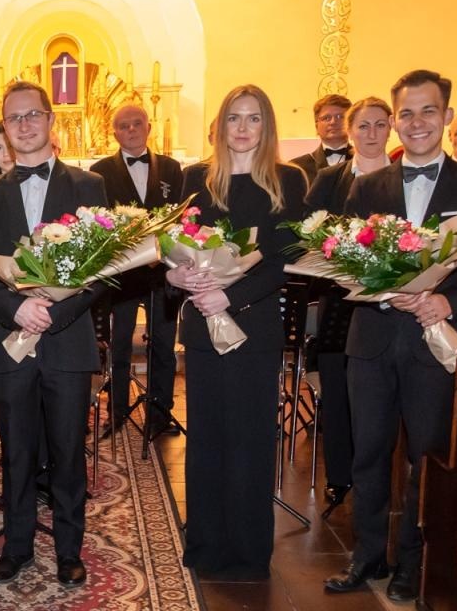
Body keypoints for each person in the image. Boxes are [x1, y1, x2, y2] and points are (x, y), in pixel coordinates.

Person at [324, 69, 457, 602]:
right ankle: (367, 556)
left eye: (428, 111)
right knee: (368, 452)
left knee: (425, 456)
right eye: (406, 113)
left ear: (446, 116)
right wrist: (384, 292)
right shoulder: (368, 186)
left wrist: (446, 301)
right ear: (394, 121)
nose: (417, 122)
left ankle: (412, 560)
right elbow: (342, 261)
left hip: (437, 339)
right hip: (372, 340)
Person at [0, 80, 108, 587]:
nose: (24, 125)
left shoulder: (88, 186)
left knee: (68, 452)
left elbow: (103, 267)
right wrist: (17, 308)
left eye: (32, 115)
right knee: (16, 452)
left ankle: (69, 550)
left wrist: (54, 313)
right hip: (10, 341)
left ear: (50, 120)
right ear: (4, 128)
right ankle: (17, 547)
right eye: (14, 118)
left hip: (67, 341)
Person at [167, 85, 302, 580]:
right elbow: (173, 248)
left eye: (253, 118)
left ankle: (247, 552)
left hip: (254, 327)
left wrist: (232, 297)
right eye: (234, 118)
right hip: (202, 325)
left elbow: (285, 260)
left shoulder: (288, 181)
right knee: (206, 438)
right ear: (220, 125)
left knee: (250, 439)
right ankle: (205, 546)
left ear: (267, 126)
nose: (243, 128)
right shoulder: (195, 179)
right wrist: (176, 277)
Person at [303, 96, 393, 512]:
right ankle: (339, 475)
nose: (371, 134)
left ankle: (380, 480)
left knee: (381, 395)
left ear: (390, 128)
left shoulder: (405, 177)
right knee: (338, 390)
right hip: (339, 300)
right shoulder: (329, 179)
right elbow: (306, 234)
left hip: (392, 303)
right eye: (363, 126)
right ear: (350, 131)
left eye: (379, 125)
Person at [90, 102, 185, 436]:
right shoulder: (99, 170)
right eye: (123, 126)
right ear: (114, 132)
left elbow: (180, 217)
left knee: (164, 345)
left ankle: (160, 414)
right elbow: (99, 221)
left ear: (148, 127)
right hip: (123, 273)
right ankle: (116, 412)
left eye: (136, 123)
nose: (131, 130)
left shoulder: (172, 168)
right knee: (119, 345)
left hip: (163, 272)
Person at [290, 94, 353, 182]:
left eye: (340, 117)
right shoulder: (297, 167)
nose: (333, 122)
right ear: (316, 125)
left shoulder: (365, 161)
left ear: (351, 123)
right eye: (326, 118)